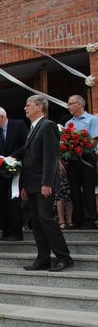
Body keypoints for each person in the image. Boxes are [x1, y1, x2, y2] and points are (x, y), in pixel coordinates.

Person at [20, 95, 73, 271]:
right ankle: (43, 259)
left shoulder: (47, 125)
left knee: (46, 218)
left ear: (40, 107)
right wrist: (25, 186)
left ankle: (63, 257)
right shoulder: (32, 127)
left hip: (44, 183)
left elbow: (50, 157)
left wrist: (47, 182)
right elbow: (29, 159)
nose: (25, 108)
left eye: (28, 105)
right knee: (36, 221)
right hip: (31, 184)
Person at [0, 106, 29, 240]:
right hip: (0, 170)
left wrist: (13, 157)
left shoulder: (19, 125)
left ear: (2, 117)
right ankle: (5, 231)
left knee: (13, 200)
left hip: (17, 168)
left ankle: (16, 232)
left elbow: (27, 144)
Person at [65, 94, 98, 229]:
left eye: (70, 103)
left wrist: (80, 147)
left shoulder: (92, 120)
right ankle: (78, 219)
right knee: (74, 189)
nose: (68, 106)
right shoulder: (68, 123)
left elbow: (95, 139)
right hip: (72, 159)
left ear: (79, 104)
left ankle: (90, 219)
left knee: (88, 189)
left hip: (87, 157)